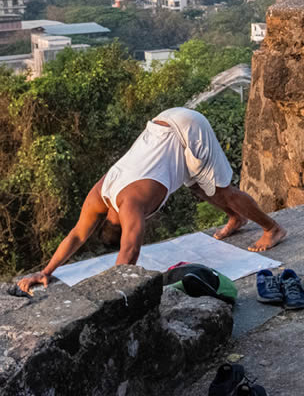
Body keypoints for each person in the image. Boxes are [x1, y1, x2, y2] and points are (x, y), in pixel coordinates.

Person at [17, 107, 287, 294]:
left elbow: (129, 253)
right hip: (165, 123)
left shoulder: (130, 205)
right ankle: (235, 218)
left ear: (122, 223)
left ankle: (271, 228)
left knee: (224, 191)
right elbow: (77, 234)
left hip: (187, 129)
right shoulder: (101, 195)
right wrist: (46, 271)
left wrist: (112, 293)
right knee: (200, 188)